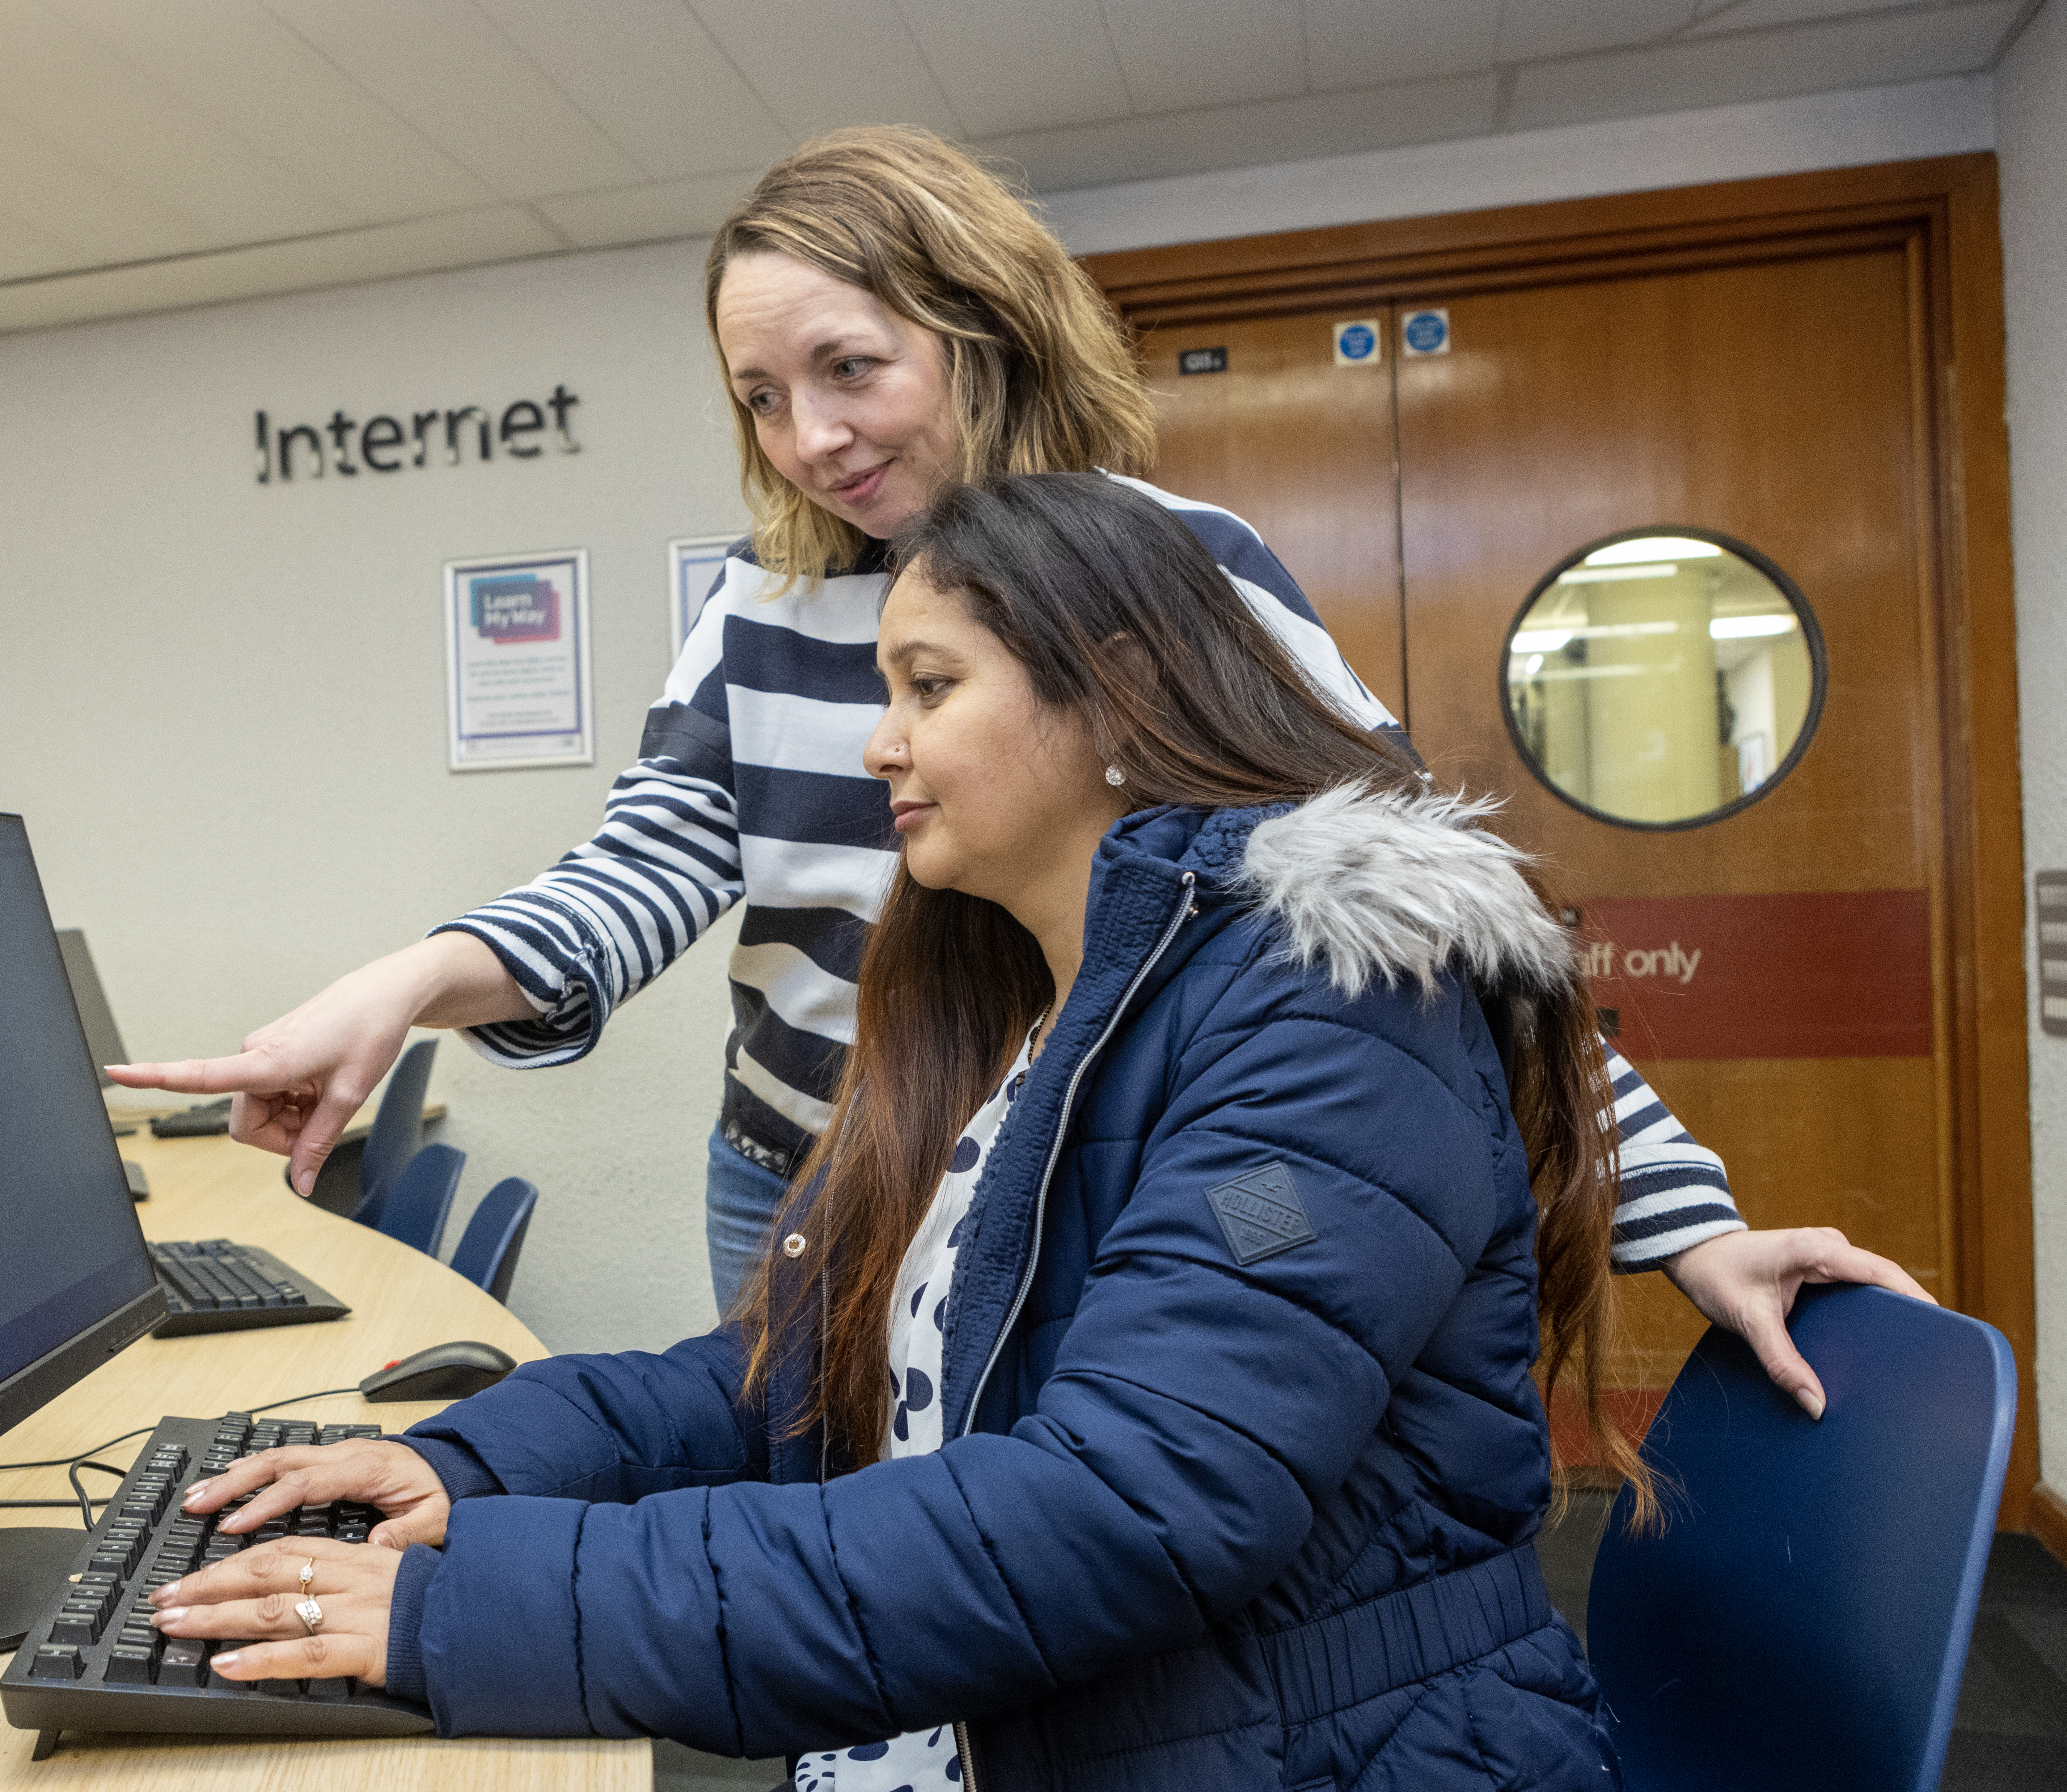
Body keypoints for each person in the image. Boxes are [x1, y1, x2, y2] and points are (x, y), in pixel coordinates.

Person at [110, 124, 1920, 1417]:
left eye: (851, 367)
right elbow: (654, 862)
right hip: (806, 1170)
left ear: (981, 331)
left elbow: (1429, 917)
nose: (809, 437)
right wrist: (418, 979)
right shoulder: (769, 600)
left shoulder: (1169, 569)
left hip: (1073, 1168)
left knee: (1031, 1585)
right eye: (760, 394)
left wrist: (1697, 1228)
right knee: (828, 1568)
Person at [150, 472, 1688, 1787]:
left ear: (1121, 690)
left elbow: (1124, 1509)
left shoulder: (1327, 1018)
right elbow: (815, 1374)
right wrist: (477, 1468)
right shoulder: (1028, 1005)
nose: (878, 743)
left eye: (930, 689)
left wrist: (466, 1613)